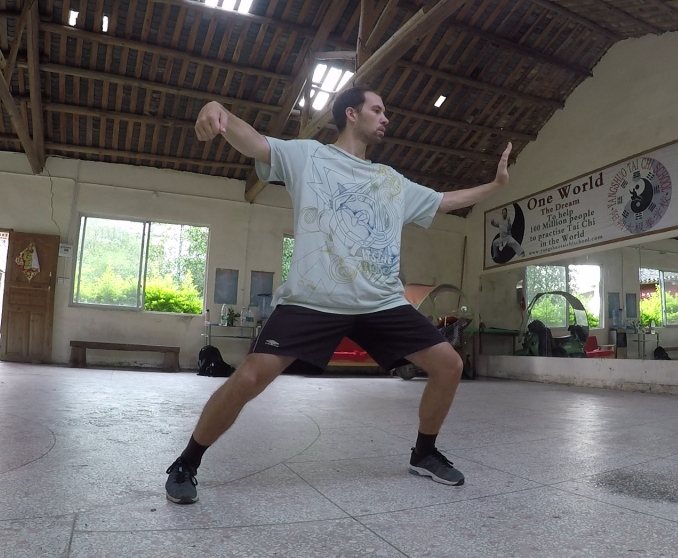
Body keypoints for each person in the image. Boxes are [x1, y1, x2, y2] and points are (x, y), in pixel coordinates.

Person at [164, 87, 512, 504]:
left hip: (381, 301)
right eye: (378, 110)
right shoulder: (309, 157)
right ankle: (187, 461)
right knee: (250, 377)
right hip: (314, 298)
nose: (386, 119)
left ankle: (424, 452)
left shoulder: (390, 181)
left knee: (449, 365)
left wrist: (494, 186)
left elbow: (443, 202)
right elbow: (254, 141)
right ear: (351, 113)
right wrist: (217, 110)